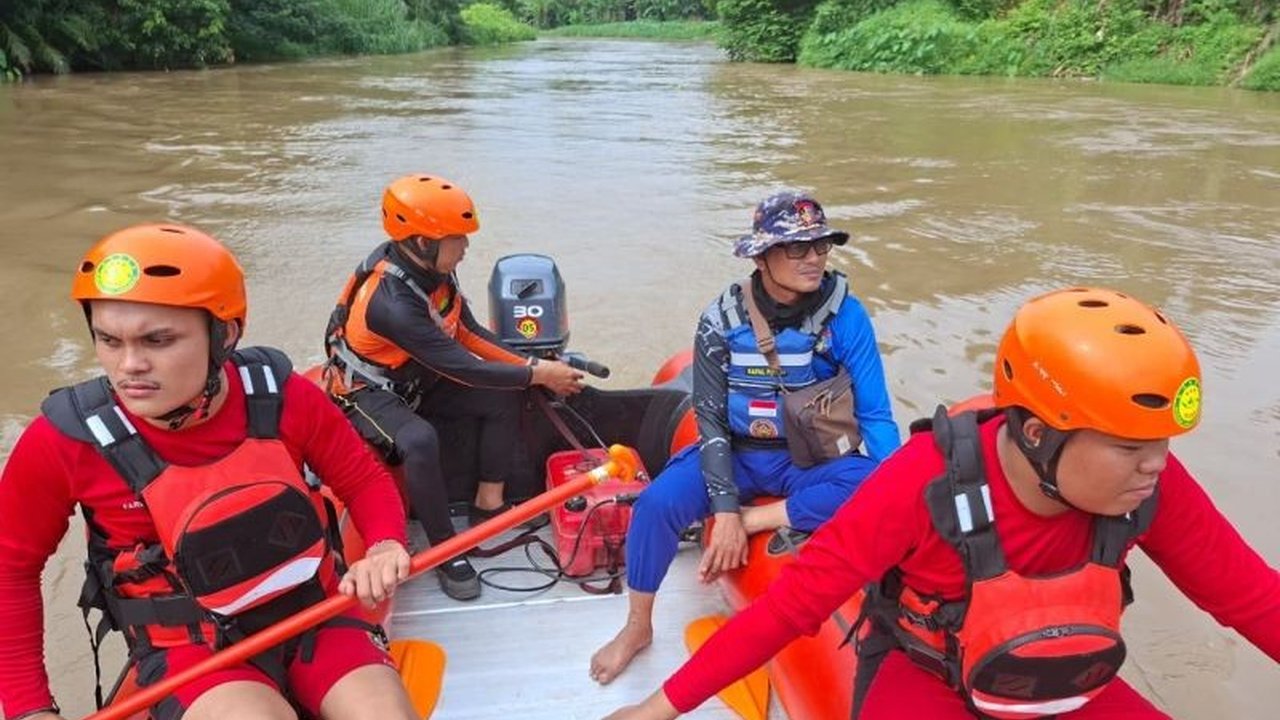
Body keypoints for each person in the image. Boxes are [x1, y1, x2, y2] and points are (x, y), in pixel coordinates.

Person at [603, 287, 1280, 720]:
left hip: (1067, 677)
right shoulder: (924, 484)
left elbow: (1252, 600)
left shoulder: (1149, 485)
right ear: (1039, 435)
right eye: (1130, 445)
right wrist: (660, 707)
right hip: (929, 682)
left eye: (1159, 441)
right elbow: (792, 608)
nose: (1157, 463)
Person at [0, 224, 418, 720]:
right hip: (189, 647)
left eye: (158, 340)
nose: (129, 365)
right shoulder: (63, 441)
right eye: (108, 340)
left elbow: (363, 479)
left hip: (314, 615)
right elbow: (11, 570)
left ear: (225, 333)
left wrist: (386, 543)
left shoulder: (283, 396)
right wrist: (30, 709)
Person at [589, 191, 901, 685]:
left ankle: (764, 517)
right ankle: (638, 626)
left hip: (806, 460)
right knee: (654, 506)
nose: (814, 258)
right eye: (797, 249)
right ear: (761, 257)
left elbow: (876, 413)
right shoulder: (721, 321)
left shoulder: (847, 316)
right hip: (735, 452)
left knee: (872, 482)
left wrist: (901, 491)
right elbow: (709, 417)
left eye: (820, 246)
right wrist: (724, 509)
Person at [323, 173, 584, 601]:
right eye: (457, 239)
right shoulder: (391, 301)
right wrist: (538, 375)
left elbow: (468, 334)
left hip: (415, 376)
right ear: (423, 242)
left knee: (505, 394)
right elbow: (463, 367)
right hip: (366, 392)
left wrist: (533, 364)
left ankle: (488, 504)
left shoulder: (434, 276)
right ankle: (447, 550)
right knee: (420, 440)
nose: (465, 248)